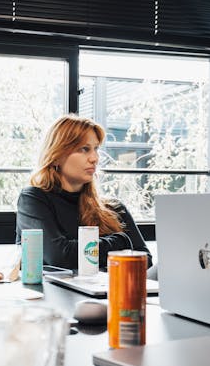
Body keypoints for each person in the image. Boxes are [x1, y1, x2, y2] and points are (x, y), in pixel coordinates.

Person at [15, 114, 152, 270]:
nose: (94, 158)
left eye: (96, 149)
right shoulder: (33, 199)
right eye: (84, 149)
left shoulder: (113, 208)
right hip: (54, 294)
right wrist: (120, 242)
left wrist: (84, 252)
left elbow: (145, 261)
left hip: (109, 292)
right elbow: (59, 257)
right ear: (56, 156)